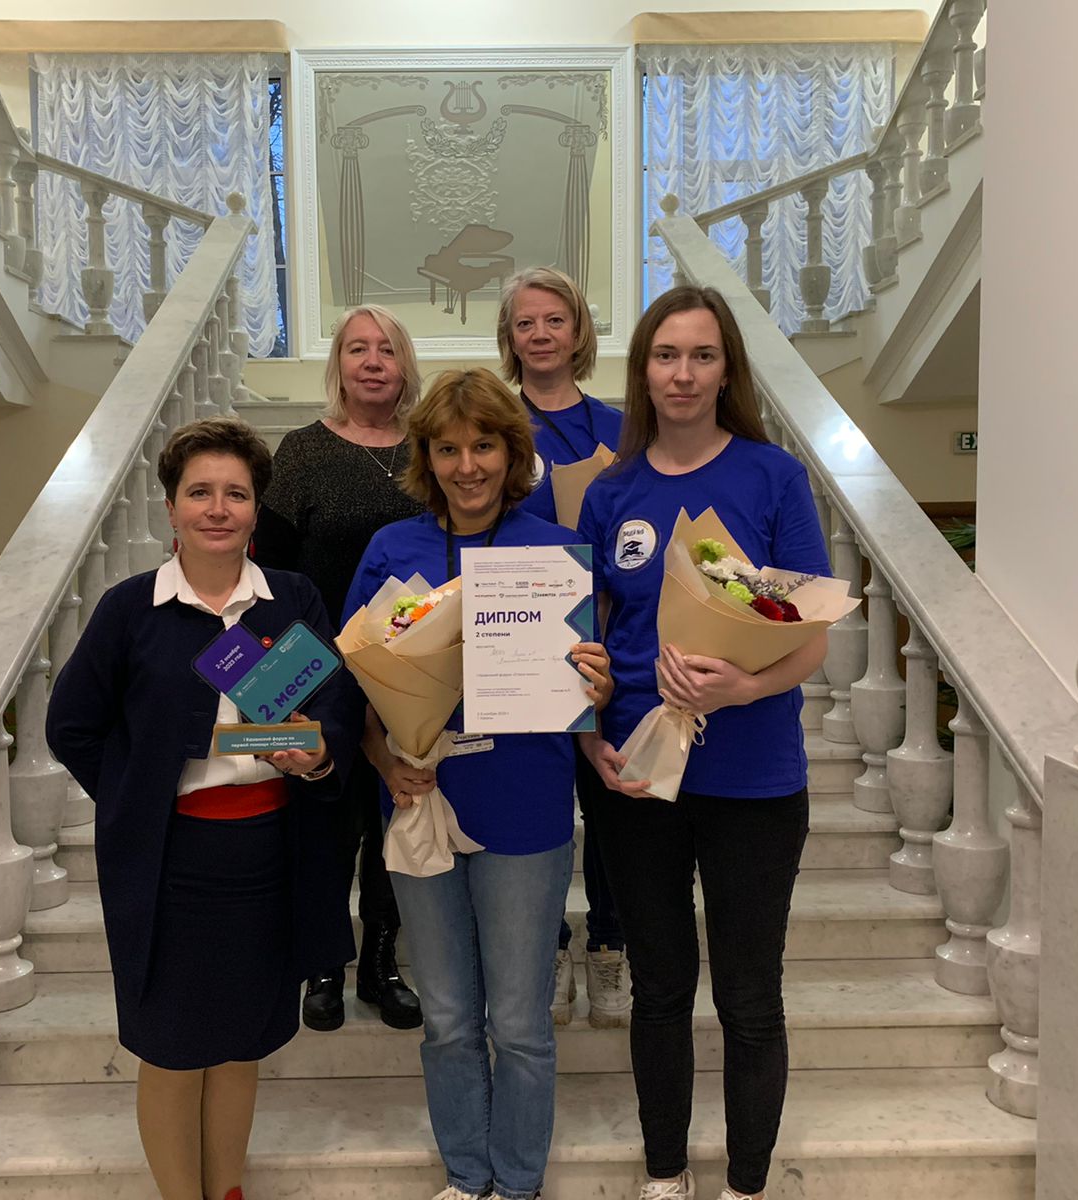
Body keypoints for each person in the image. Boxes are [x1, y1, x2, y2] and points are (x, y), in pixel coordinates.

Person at [46, 418, 359, 1200]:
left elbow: (337, 709)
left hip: (268, 856)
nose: (218, 509)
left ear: (256, 511)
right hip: (172, 866)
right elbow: (71, 725)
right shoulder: (131, 609)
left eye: (236, 494)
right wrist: (136, 796)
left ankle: (228, 1191)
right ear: (171, 508)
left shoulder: (291, 599)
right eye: (200, 493)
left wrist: (318, 754)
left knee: (241, 1042)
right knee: (172, 1047)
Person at [575, 286, 832, 1200]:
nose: (682, 373)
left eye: (702, 355)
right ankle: (665, 1174)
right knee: (658, 988)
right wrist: (590, 741)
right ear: (643, 370)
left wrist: (746, 686)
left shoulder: (773, 477)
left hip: (754, 777)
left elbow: (812, 635)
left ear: (728, 371)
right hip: (637, 775)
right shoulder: (612, 493)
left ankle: (747, 1184)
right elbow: (585, 640)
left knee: (750, 996)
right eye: (666, 355)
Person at [346, 368, 614, 1200]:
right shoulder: (392, 549)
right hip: (421, 802)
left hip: (526, 806)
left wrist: (598, 684)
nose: (468, 466)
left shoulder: (554, 552)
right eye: (449, 448)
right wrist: (382, 760)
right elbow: (357, 684)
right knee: (449, 1019)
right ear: (426, 456)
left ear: (513, 452)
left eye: (485, 445)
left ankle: (519, 1182)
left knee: (522, 1024)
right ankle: (467, 1177)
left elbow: (585, 689)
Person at [254, 304, 427, 1033]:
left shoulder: (428, 449)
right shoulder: (301, 451)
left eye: (386, 348)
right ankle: (324, 965)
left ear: (405, 364)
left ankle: (382, 964)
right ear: (339, 365)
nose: (373, 361)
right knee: (326, 826)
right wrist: (273, 681)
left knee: (393, 816)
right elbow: (267, 573)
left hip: (411, 669)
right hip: (318, 668)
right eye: (357, 348)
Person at [495, 266, 630, 1029]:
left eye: (555, 320)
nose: (541, 334)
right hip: (518, 647)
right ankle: (545, 946)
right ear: (509, 338)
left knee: (609, 804)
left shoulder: (622, 428)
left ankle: (609, 944)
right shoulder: (494, 422)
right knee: (539, 805)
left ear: (578, 331)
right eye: (526, 323)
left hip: (610, 643)